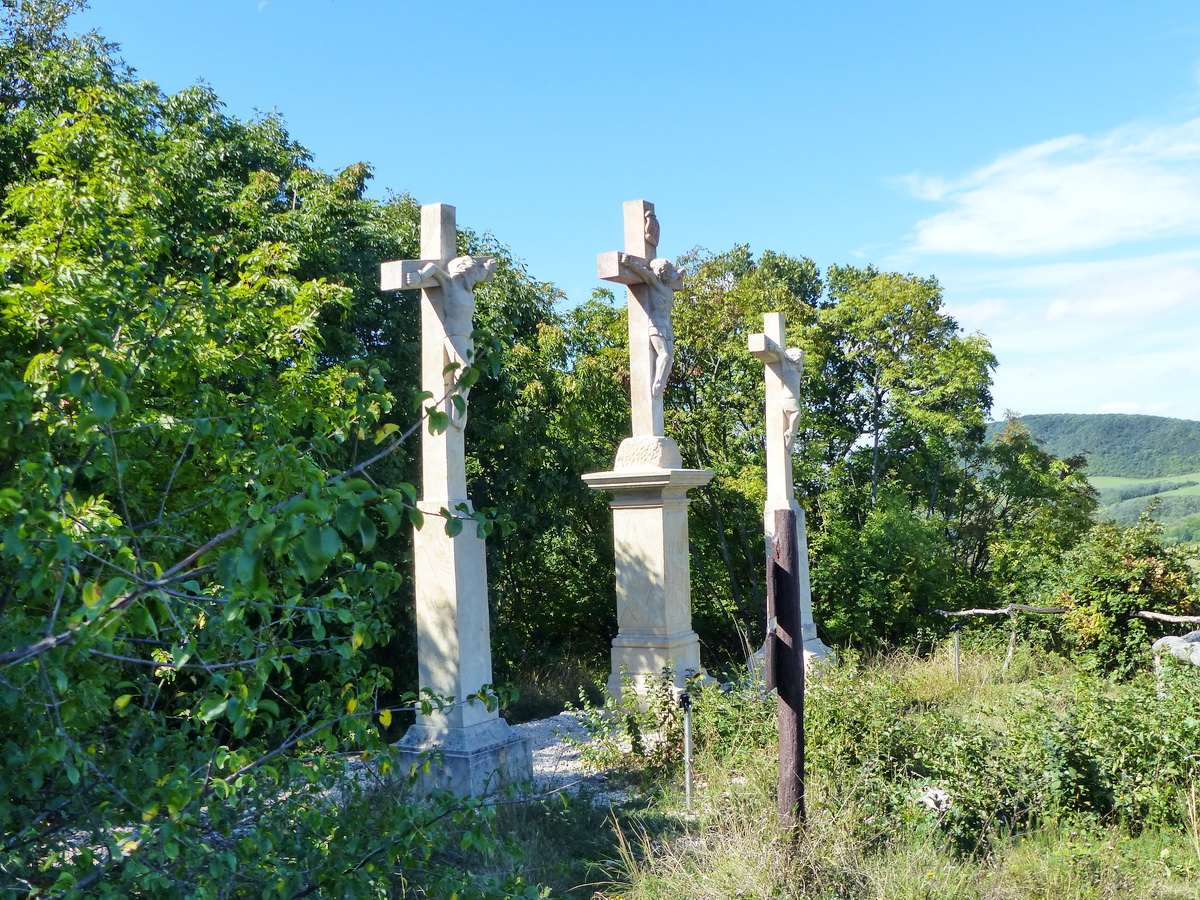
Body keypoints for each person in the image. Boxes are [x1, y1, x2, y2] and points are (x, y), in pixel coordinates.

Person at [405, 256, 497, 428]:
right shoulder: (450, 284)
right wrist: (420, 276)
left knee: (470, 373)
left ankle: (462, 403)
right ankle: (458, 405)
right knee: (464, 370)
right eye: (472, 273)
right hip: (453, 333)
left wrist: (489, 267)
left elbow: (482, 274)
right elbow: (432, 267)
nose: (475, 277)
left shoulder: (467, 285)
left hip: (468, 335)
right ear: (463, 273)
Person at [619, 253, 683, 397]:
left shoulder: (668, 285)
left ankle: (662, 383)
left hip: (668, 325)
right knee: (664, 355)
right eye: (666, 271)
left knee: (670, 356)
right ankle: (658, 383)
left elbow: (674, 276)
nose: (669, 274)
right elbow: (643, 272)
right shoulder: (654, 281)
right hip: (657, 323)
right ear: (661, 272)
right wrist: (629, 264)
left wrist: (679, 273)